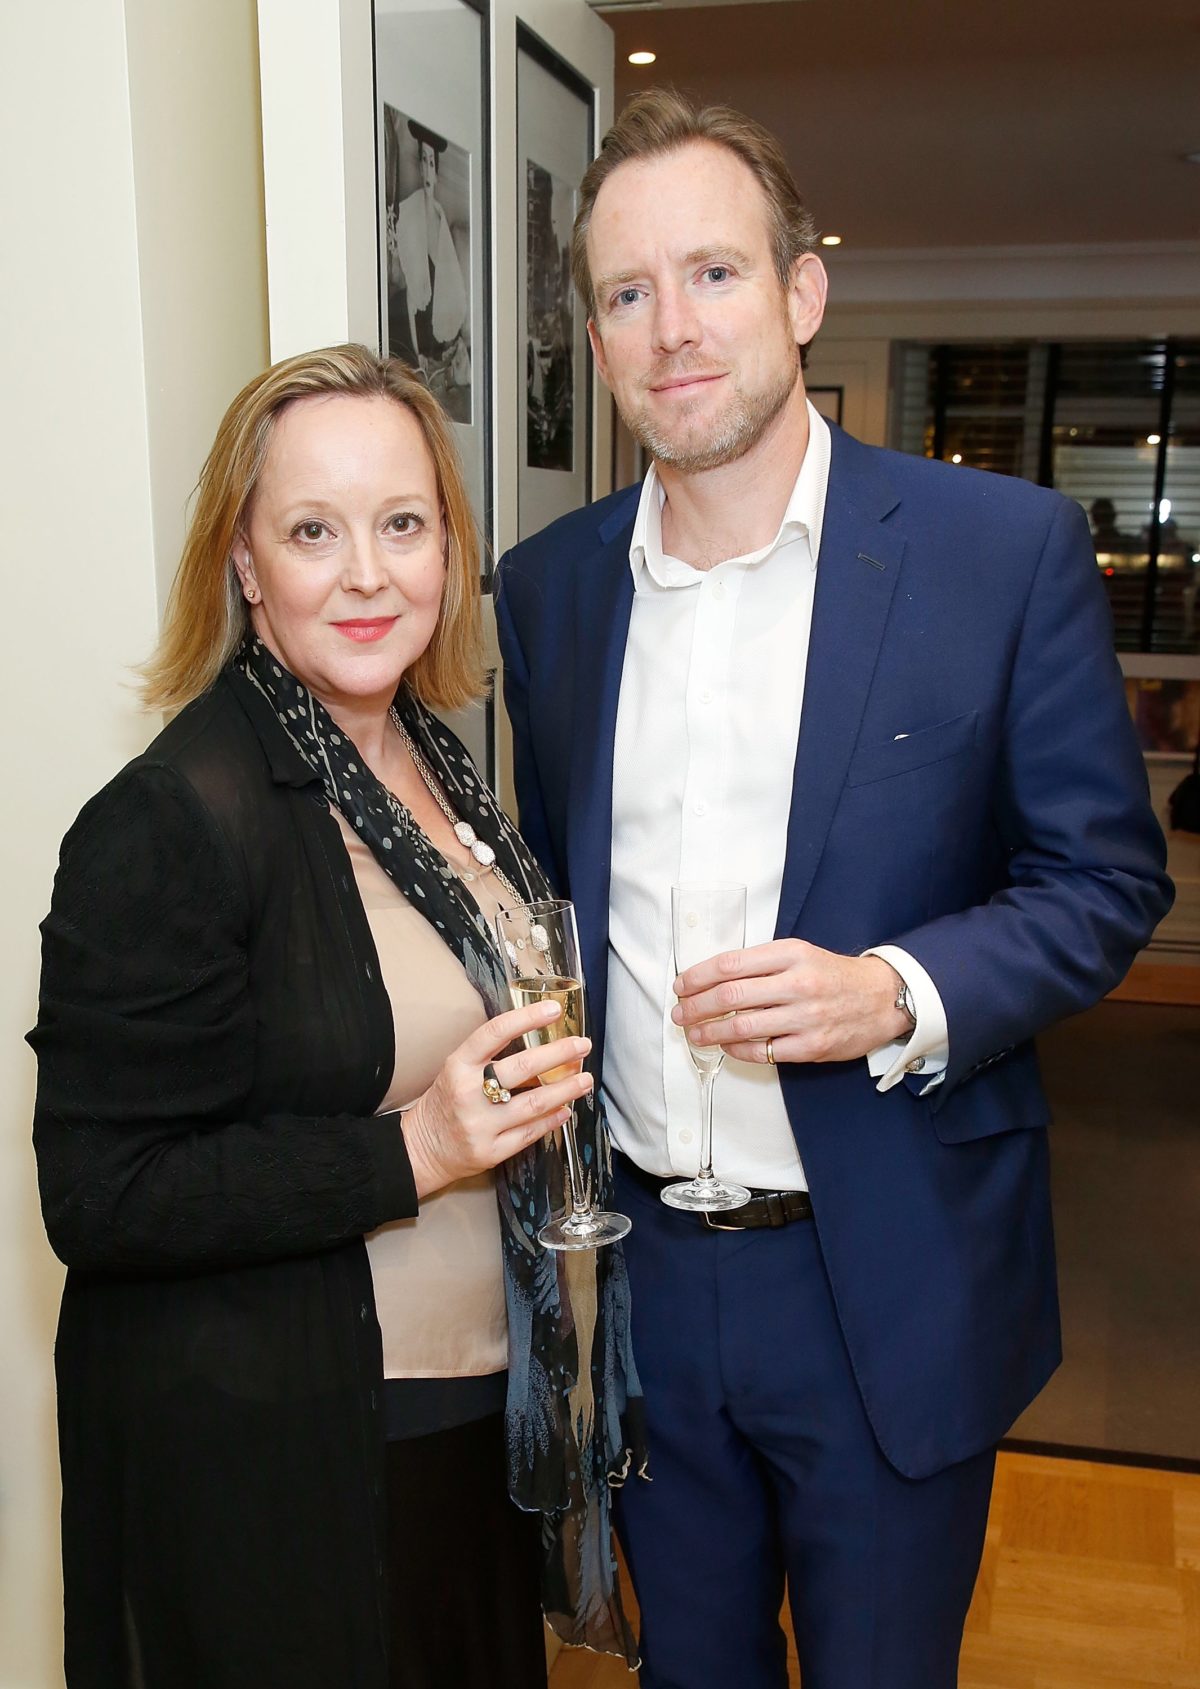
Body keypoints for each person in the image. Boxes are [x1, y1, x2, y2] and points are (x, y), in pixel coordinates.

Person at [495, 91, 1173, 1689]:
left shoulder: (998, 552)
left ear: (803, 292)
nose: (673, 327)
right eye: (627, 292)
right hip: (646, 1283)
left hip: (887, 1273)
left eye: (714, 274)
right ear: (596, 340)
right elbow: (554, 894)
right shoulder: (550, 591)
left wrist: (896, 992)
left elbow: (1102, 879)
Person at [29, 346, 638, 1689]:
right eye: (314, 531)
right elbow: (104, 1196)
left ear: (448, 550)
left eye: (402, 524)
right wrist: (419, 1146)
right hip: (309, 1450)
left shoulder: (435, 760)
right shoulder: (170, 820)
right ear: (246, 564)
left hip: (478, 1404)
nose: (368, 573)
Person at [387, 118, 470, 404]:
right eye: (423, 160)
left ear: (436, 171)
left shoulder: (440, 218)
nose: (427, 168)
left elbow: (450, 289)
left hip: (434, 343)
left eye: (431, 162)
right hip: (412, 336)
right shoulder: (409, 213)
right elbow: (410, 298)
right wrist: (416, 354)